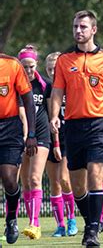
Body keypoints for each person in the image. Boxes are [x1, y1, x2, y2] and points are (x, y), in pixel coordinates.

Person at [50, 10, 103, 247]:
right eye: (75, 27)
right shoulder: (64, 60)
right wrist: (54, 116)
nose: (78, 31)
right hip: (73, 125)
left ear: (94, 30)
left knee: (95, 172)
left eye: (83, 27)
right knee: (77, 184)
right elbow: (57, 92)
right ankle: (91, 221)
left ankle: (92, 230)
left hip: (100, 124)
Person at [0, 52, 37, 244]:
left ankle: (11, 218)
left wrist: (31, 134)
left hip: (10, 128)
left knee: (9, 179)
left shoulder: (12, 64)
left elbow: (29, 99)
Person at [17, 45, 51, 240]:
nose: (28, 71)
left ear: (36, 64)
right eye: (24, 67)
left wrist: (55, 141)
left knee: (35, 178)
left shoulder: (45, 85)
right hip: (21, 136)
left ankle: (35, 223)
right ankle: (25, 221)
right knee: (24, 181)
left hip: (40, 136)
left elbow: (52, 110)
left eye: (31, 66)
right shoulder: (14, 85)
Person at [44, 51, 79, 237]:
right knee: (55, 183)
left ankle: (72, 219)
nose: (52, 71)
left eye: (55, 68)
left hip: (68, 139)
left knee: (65, 179)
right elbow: (52, 118)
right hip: (52, 139)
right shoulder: (50, 88)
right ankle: (60, 225)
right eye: (49, 68)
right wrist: (54, 143)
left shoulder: (71, 84)